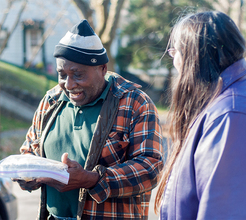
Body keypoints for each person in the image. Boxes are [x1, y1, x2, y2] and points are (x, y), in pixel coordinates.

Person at [16, 19, 163, 220]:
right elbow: (29, 149)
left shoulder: (135, 103)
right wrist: (27, 174)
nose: (68, 84)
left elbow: (150, 168)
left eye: (78, 75)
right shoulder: (51, 100)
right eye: (62, 74)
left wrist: (92, 179)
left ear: (102, 68)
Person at [154, 11, 246, 219]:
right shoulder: (222, 102)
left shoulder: (230, 113)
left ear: (193, 54)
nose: (173, 60)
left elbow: (223, 211)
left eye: (174, 51)